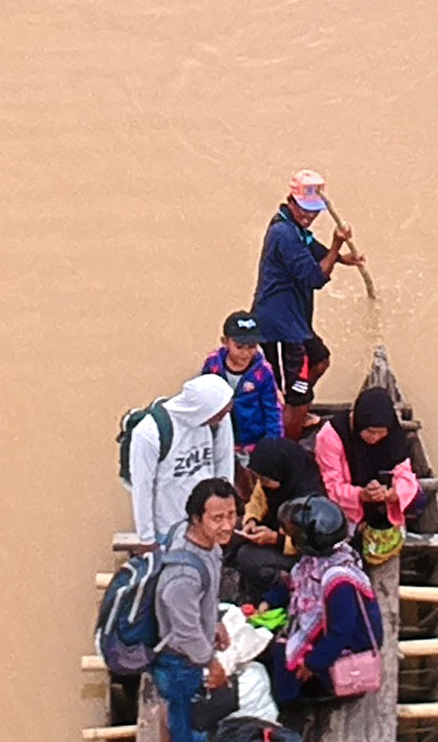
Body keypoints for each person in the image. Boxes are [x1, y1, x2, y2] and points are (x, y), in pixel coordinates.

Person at [146, 477, 239, 742]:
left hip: (175, 654)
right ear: (196, 518)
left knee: (173, 707)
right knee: (191, 737)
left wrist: (212, 620)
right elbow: (185, 634)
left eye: (231, 514)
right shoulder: (182, 576)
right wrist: (210, 664)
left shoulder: (203, 544)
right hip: (178, 659)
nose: (227, 524)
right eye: (217, 518)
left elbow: (200, 604)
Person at [249, 169, 358, 406]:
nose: (308, 215)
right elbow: (315, 278)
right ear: (290, 201)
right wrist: (336, 243)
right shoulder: (283, 233)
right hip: (279, 326)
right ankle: (289, 424)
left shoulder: (291, 224)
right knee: (290, 389)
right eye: (303, 208)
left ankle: (292, 410)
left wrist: (339, 257)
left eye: (313, 210)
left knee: (320, 360)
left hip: (294, 321)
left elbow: (309, 245)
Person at [271, 495, 385, 706]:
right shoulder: (317, 561)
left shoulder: (339, 583)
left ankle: (290, 702)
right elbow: (293, 582)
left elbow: (341, 631)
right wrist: (268, 602)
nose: (282, 534)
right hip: (335, 631)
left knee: (282, 654)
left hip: (351, 644)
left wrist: (312, 664)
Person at [120, 370, 239, 548]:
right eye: (220, 413)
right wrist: (147, 538)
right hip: (168, 530)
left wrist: (224, 515)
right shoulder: (149, 432)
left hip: (206, 526)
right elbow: (142, 487)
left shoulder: (220, 419)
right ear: (203, 409)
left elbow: (224, 462)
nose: (224, 417)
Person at [315, 377, 438, 540]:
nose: (374, 438)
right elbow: (330, 486)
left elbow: (404, 472)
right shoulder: (331, 436)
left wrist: (393, 494)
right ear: (359, 422)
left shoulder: (392, 436)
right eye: (370, 432)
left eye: (380, 433)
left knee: (418, 497)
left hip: (380, 497)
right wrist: (360, 495)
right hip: (348, 503)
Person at [204, 311, 285, 451]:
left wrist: (273, 444)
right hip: (219, 440)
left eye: (252, 346)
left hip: (254, 443)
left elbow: (272, 409)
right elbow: (204, 402)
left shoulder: (263, 372)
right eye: (239, 347)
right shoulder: (213, 365)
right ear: (225, 342)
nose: (245, 353)